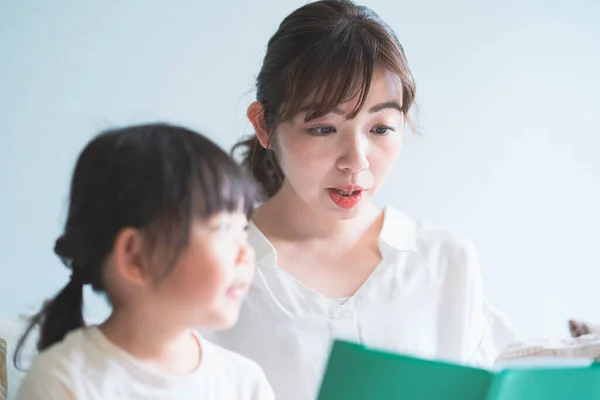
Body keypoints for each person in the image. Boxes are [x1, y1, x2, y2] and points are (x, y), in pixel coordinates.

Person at [202, 1, 516, 399]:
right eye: (324, 128)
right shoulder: (212, 269)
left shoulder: (443, 262)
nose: (357, 160)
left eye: (381, 127)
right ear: (264, 125)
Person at [14, 123, 274, 400]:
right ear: (135, 257)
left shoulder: (244, 383)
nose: (246, 254)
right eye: (223, 228)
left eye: (242, 229)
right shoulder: (63, 379)